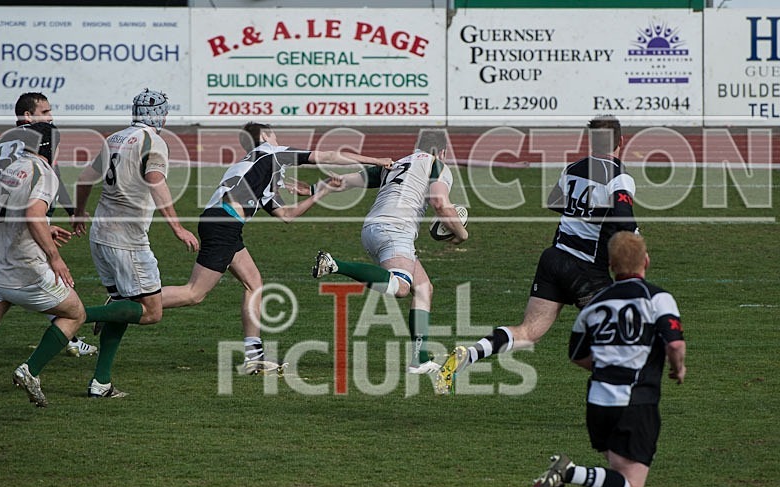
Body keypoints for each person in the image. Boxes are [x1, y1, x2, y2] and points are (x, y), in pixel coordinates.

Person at [160, 122, 393, 375]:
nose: (278, 138)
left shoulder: (261, 170)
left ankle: (254, 357)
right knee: (194, 293)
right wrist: (376, 160)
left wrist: (321, 192)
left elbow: (287, 215)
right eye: (274, 134)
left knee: (254, 284)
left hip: (224, 224)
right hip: (223, 224)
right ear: (264, 136)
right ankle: (138, 302)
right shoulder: (271, 153)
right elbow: (328, 156)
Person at [436, 115, 638, 394]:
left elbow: (555, 201)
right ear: (621, 141)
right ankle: (621, 392)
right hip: (586, 269)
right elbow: (625, 221)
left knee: (528, 332)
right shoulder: (619, 176)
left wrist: (583, 211)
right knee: (619, 330)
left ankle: (469, 354)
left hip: (554, 259)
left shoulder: (573, 168)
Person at [528, 231, 687, 487]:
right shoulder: (658, 298)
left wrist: (607, 365)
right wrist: (678, 368)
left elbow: (577, 355)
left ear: (611, 265)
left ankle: (572, 472)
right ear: (646, 260)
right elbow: (674, 345)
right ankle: (569, 472)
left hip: (598, 403)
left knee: (619, 478)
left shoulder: (594, 304)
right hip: (635, 403)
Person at [72, 88, 199, 398]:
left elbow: (84, 178)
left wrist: (78, 212)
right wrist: (177, 227)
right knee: (151, 312)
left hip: (100, 234)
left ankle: (101, 383)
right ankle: (74, 315)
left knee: (123, 310)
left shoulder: (114, 138)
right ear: (162, 117)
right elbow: (156, 181)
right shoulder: (153, 141)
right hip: (127, 240)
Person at [311, 131, 469, 374]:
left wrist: (314, 188)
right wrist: (461, 234)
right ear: (443, 152)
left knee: (423, 288)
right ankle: (335, 264)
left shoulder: (397, 164)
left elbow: (347, 181)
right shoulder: (436, 165)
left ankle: (420, 360)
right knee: (402, 287)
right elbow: (439, 203)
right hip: (396, 230)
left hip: (372, 229)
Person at [0, 92, 96, 356]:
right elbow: (49, 177)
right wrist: (69, 212)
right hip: (29, 221)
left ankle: (70, 338)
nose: (50, 117)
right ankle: (67, 337)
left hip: (6, 224)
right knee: (49, 281)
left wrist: (2, 215)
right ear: (27, 116)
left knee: (7, 283)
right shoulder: (41, 141)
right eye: (45, 112)